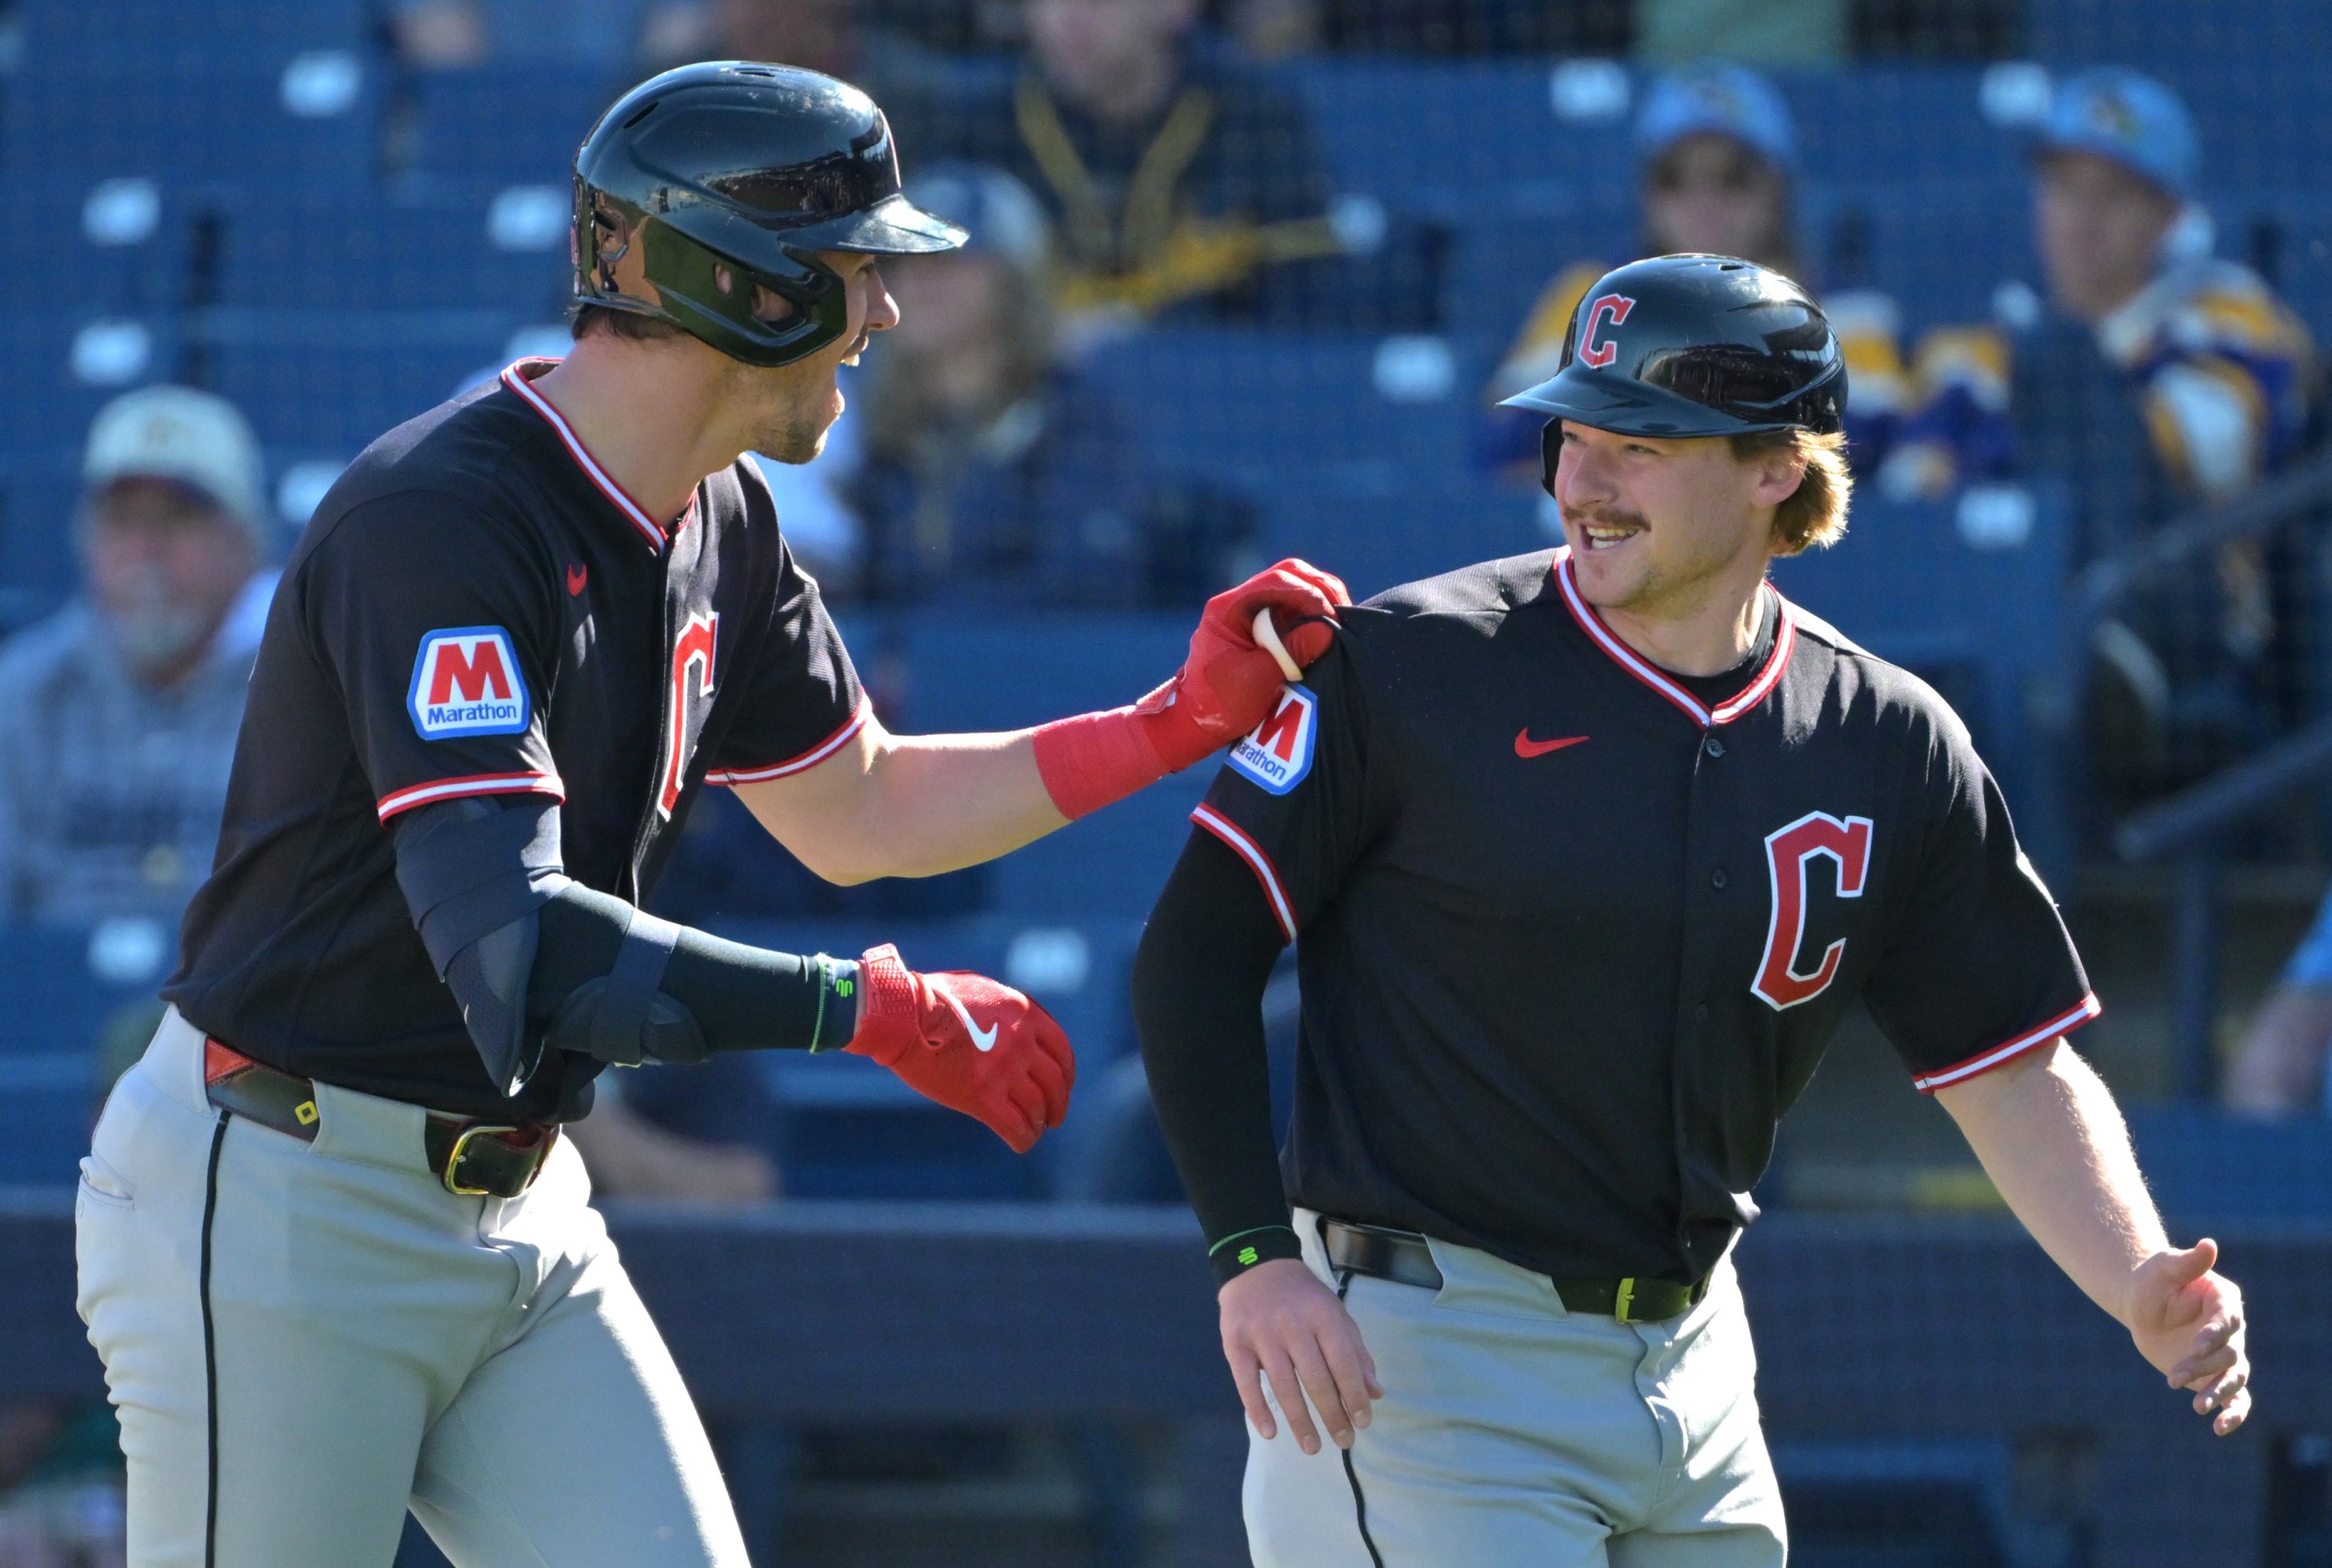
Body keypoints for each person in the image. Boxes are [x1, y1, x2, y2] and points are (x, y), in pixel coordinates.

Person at [73, 62, 1345, 1568]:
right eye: (855, 271)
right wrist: (861, 1008)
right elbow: (521, 956)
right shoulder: (441, 514)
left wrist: (1169, 726)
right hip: (282, 1191)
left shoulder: (725, 514)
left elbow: (862, 808)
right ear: (740, 285)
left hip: (519, 1200)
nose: (882, 318)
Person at [1133, 255, 2252, 1567]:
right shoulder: (1410, 665)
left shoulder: (1889, 738)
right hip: (1424, 1358)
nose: (1581, 481)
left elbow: (2009, 1064)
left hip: (1700, 1366)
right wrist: (1253, 1255)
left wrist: (2135, 1273)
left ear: (1777, 465)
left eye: (1639, 444)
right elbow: (1194, 957)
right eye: (1572, 434)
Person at [1883, 68, 2317, 798]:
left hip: (2187, 615)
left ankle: (2116, 648)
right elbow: (1912, 488)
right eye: (2065, 189)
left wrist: (2026, 422)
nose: (2083, 220)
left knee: (2062, 360)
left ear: (2171, 215)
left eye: (2115, 194)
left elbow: (2211, 444)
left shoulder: (2228, 311)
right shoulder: (1976, 348)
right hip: (2006, 613)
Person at [1478, 61, 1914, 484]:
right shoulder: (1589, 296)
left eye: (1733, 177)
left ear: (1778, 190)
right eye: (1674, 177)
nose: (1703, 198)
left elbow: (1875, 442)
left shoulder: (1844, 309)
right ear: (1647, 195)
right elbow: (1513, 439)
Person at [849, 162, 1235, 609]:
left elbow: (1084, 588)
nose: (921, 281)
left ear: (1015, 282)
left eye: (949, 259)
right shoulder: (868, 429)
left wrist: (913, 635)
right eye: (901, 262)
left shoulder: (1079, 423)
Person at [0, 387, 274, 927]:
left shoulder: (307, 686)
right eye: (122, 520)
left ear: (244, 540)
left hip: (250, 1002)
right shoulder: (24, 693)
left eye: (177, 518)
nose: (146, 548)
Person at [946, 0, 1343, 330]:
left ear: (1177, 7)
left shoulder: (1257, 119)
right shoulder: (985, 131)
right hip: (1043, 405)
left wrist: (1146, 340)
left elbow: (1304, 297)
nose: (1069, 16)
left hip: (1213, 394)